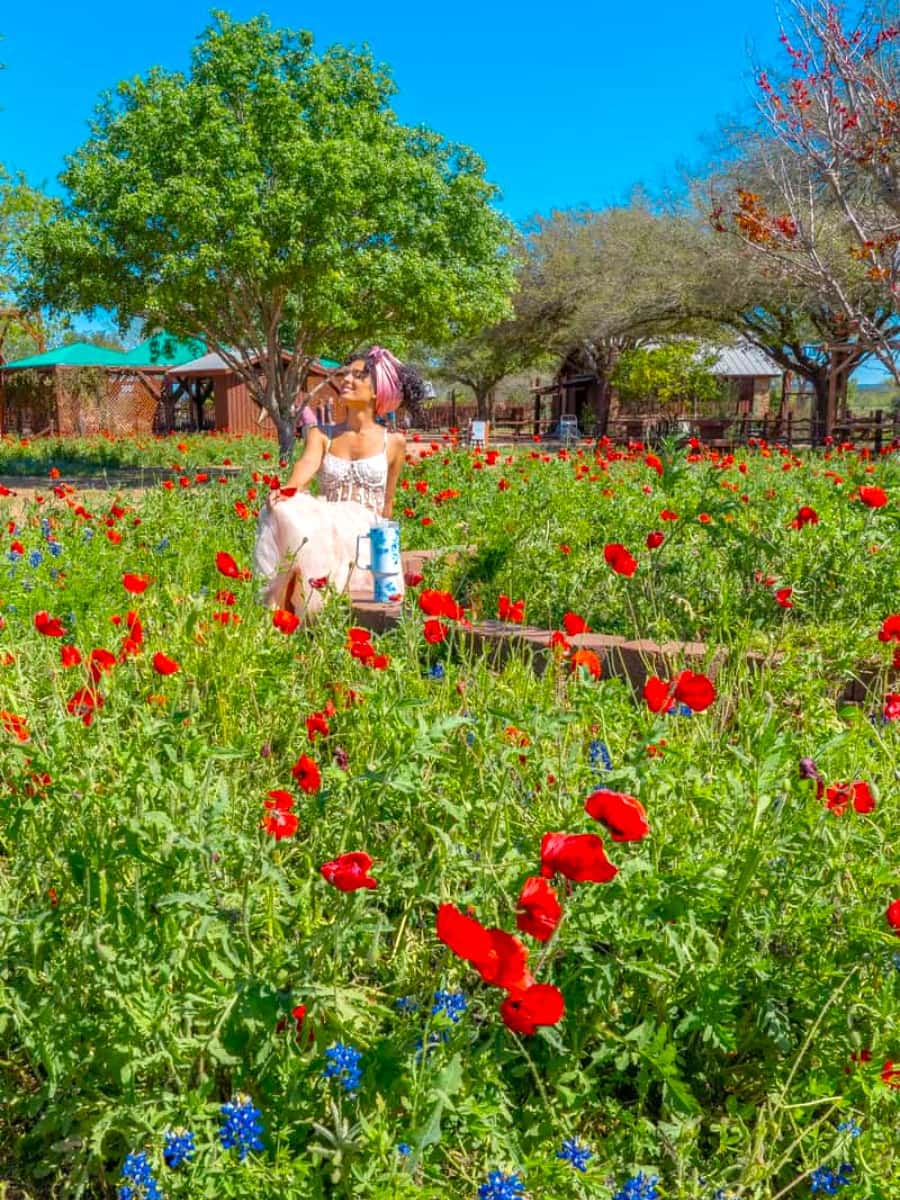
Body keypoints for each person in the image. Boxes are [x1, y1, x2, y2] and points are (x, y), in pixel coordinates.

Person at [253, 346, 424, 619]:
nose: (346, 380)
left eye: (358, 376)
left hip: (366, 535)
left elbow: (387, 504)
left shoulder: (393, 442)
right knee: (283, 508)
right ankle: (272, 608)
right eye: (345, 374)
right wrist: (289, 489)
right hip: (329, 533)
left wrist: (385, 561)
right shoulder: (322, 434)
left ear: (378, 390)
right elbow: (306, 465)